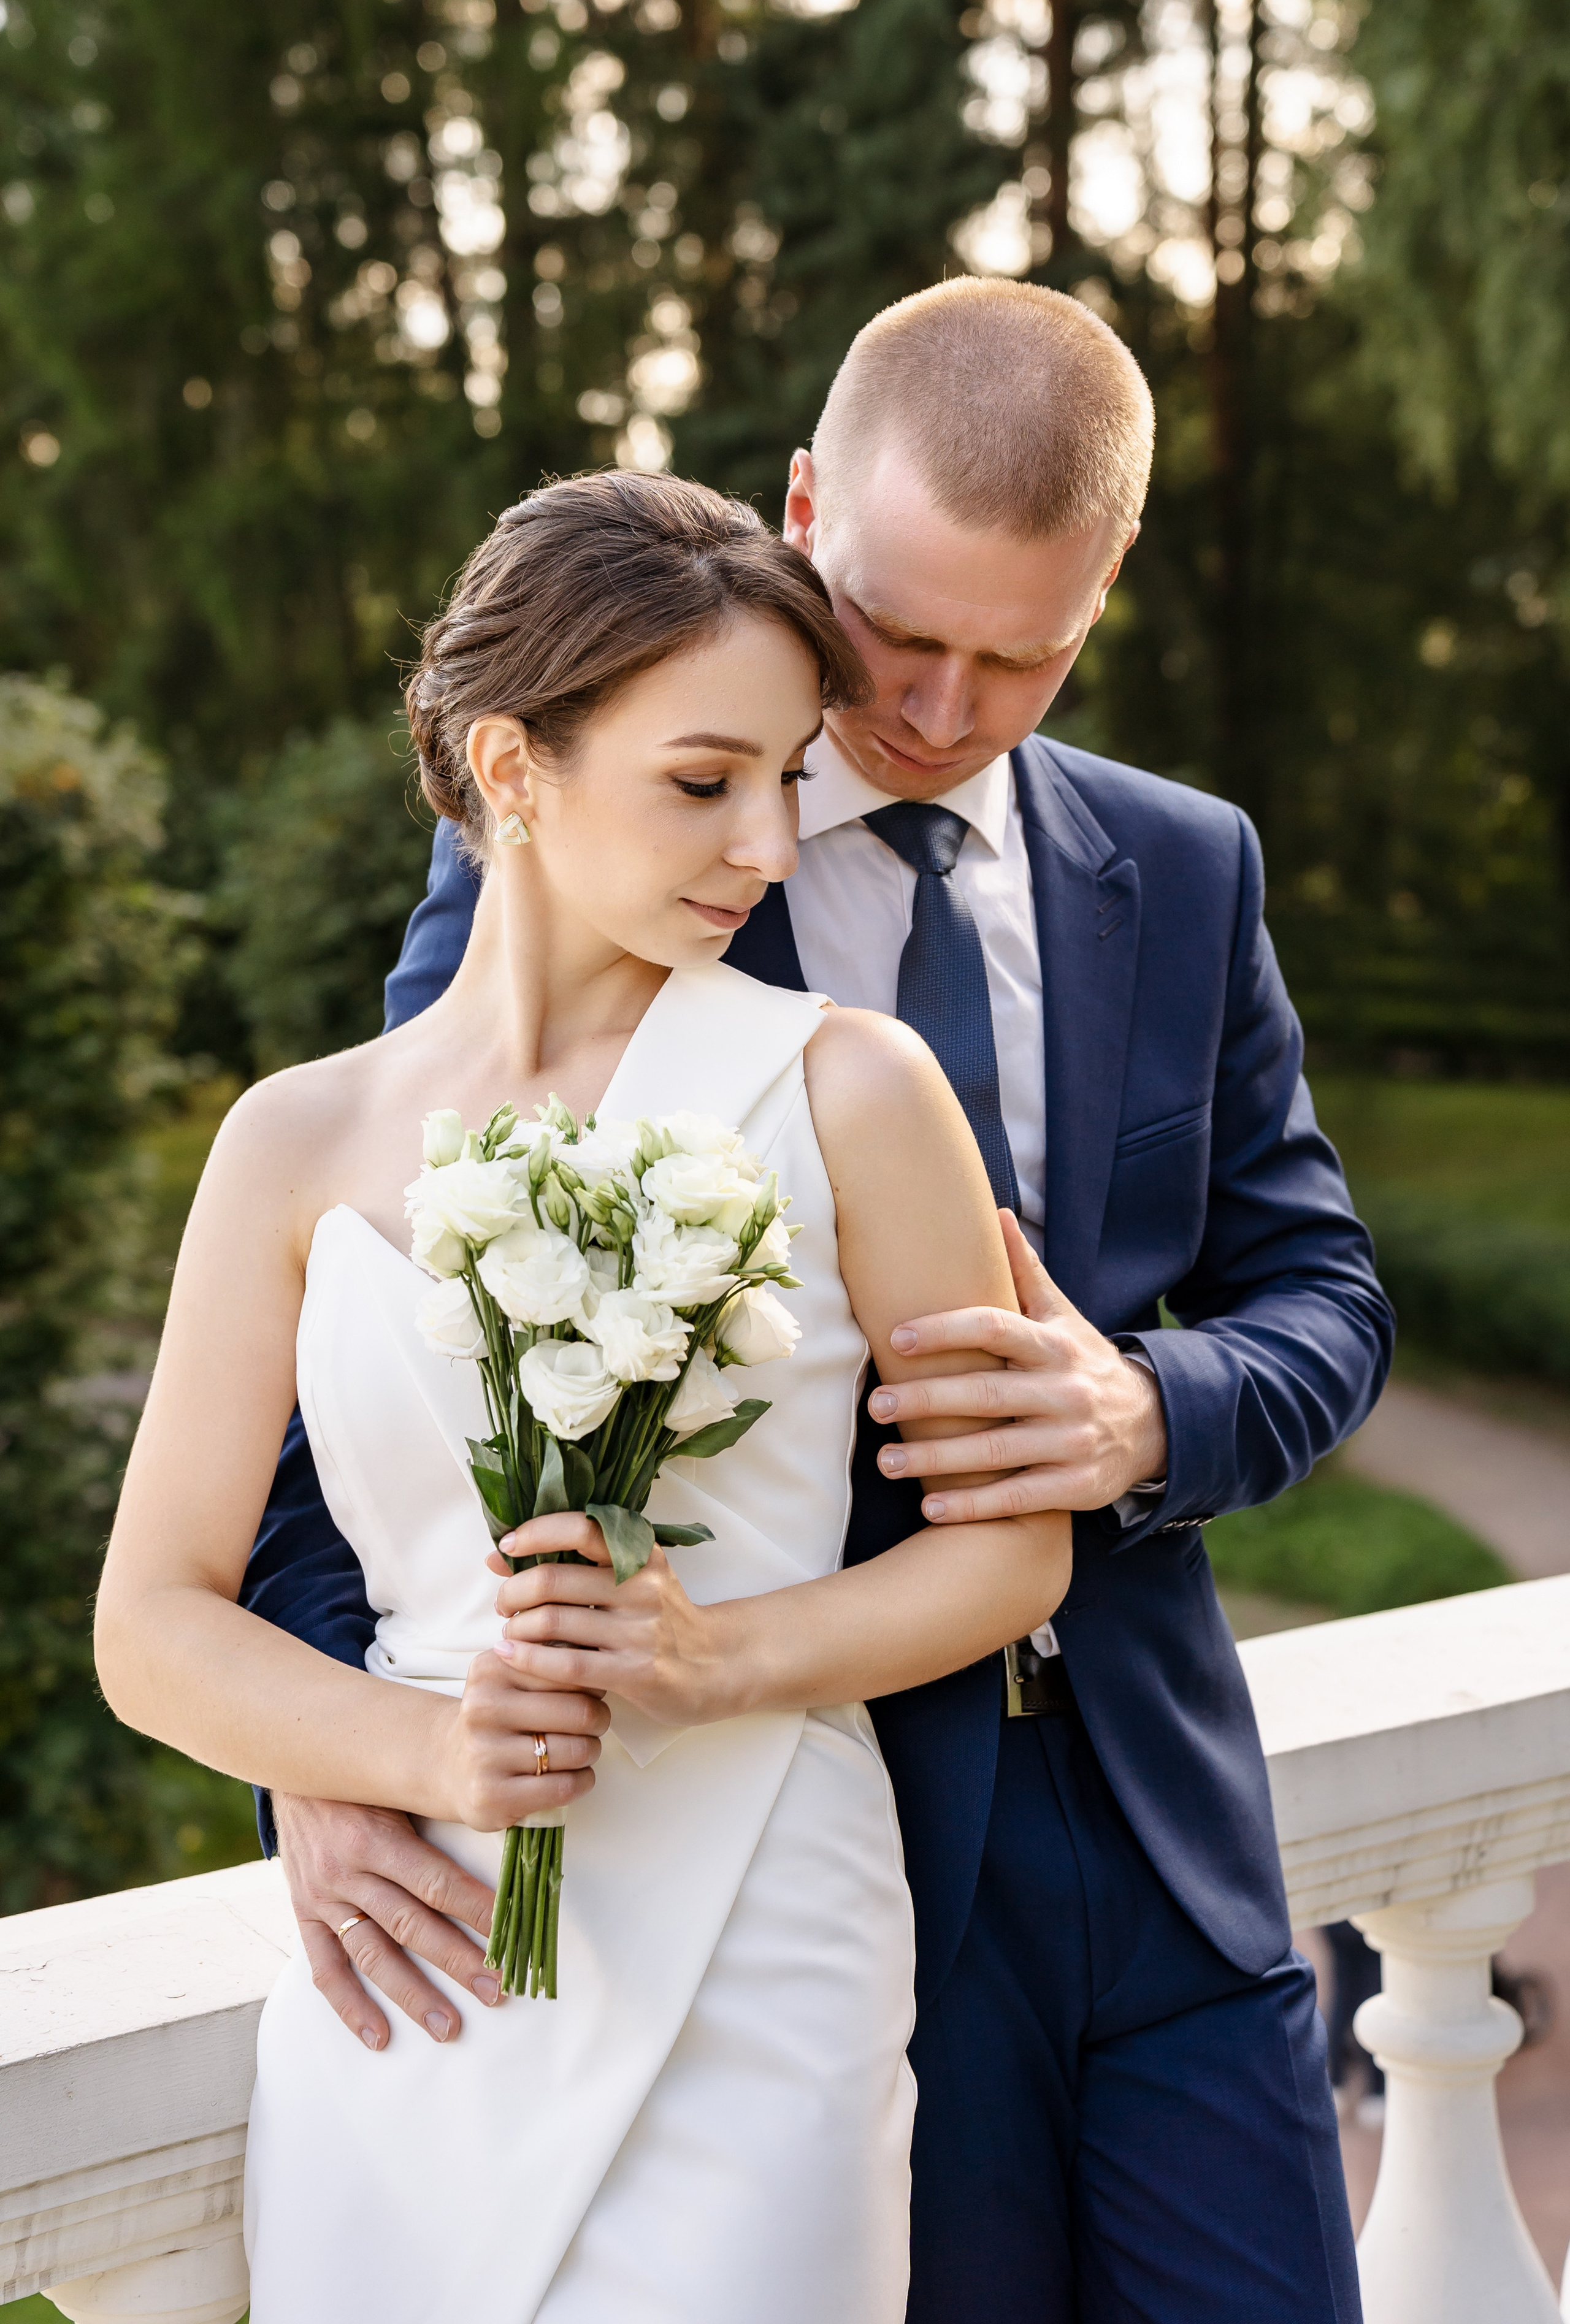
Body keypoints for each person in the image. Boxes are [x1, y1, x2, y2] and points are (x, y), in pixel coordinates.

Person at [242, 280, 1393, 2320]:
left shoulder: (1185, 863)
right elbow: (391, 1342)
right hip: (828, 1837)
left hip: (1166, 1830)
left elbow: (1316, 1288)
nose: (942, 710)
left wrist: (1148, 1411)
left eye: (1018, 656)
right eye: (900, 635)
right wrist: (338, 1751)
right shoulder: (583, 858)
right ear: (799, 510)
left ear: (1105, 589)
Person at [94, 470, 1074, 2322]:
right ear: (514, 769)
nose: (772, 845)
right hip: (422, 1956)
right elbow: (150, 1623)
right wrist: (411, 1758)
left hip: (765, 1929)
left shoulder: (858, 1088)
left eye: (791, 776)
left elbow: (1014, 1558)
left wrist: (725, 1660)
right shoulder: (291, 1140)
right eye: (706, 782)